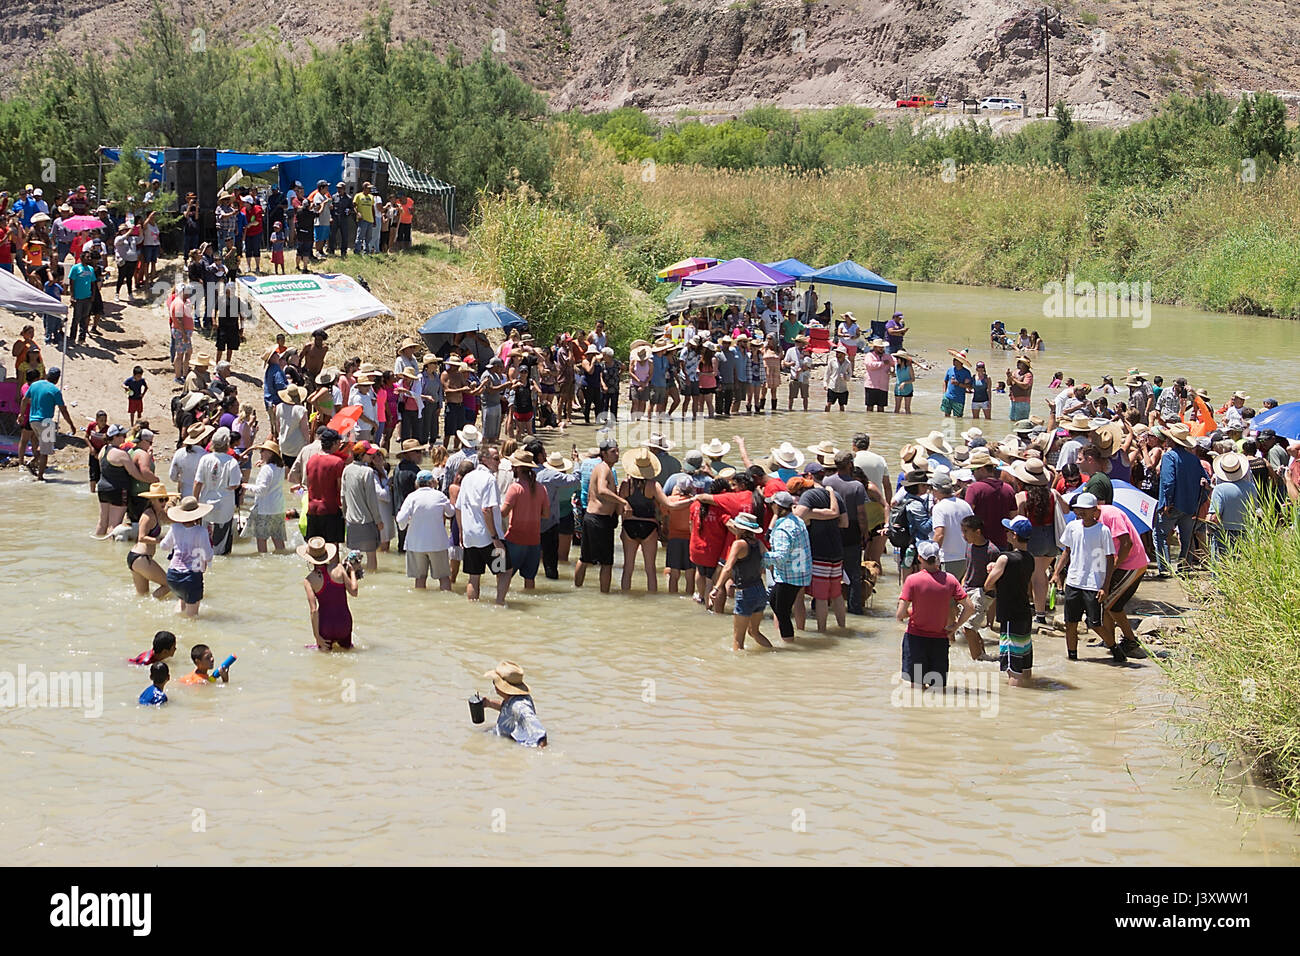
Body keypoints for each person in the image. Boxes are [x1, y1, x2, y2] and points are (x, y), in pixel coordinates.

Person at [896, 541, 977, 690]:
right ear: (937, 558)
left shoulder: (912, 580)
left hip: (916, 639)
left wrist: (914, 611)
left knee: (917, 690)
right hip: (939, 640)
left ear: (920, 558)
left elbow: (900, 614)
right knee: (938, 690)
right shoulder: (950, 580)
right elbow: (970, 608)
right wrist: (955, 626)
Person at [1052, 492, 1123, 661]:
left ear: (1094, 511)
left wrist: (1105, 586)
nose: (1080, 513)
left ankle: (1114, 648)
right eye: (1078, 509)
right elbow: (1067, 551)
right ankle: (1072, 657)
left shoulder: (1103, 531)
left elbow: (1110, 558)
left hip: (1093, 583)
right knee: (1070, 623)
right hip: (1074, 582)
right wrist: (1056, 573)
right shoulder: (1072, 527)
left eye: (1085, 509)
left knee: (1095, 624)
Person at [982, 517, 1035, 684]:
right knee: (1024, 663)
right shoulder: (1030, 558)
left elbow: (988, 585)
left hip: (1010, 614)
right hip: (1024, 613)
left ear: (1014, 535)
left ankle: (1015, 701)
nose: (1005, 534)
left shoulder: (1005, 559)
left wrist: (992, 570)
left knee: (1013, 667)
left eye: (1007, 531)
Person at [617, 447, 674, 593]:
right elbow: (667, 504)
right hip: (649, 525)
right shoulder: (653, 485)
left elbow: (618, 509)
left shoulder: (625, 485)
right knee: (650, 569)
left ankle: (625, 596)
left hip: (629, 525)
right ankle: (652, 599)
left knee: (627, 568)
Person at [711, 513, 771, 650]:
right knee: (754, 632)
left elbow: (727, 568)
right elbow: (768, 563)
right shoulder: (759, 544)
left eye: (736, 527)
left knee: (738, 641)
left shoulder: (738, 544)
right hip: (760, 591)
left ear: (742, 529)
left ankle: (736, 669)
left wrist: (717, 587)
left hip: (745, 593)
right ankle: (774, 653)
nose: (734, 528)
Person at [458, 444, 509, 603]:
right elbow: (487, 509)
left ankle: (472, 607)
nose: (499, 462)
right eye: (496, 459)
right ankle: (499, 603)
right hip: (488, 536)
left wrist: (461, 532)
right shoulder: (489, 479)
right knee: (505, 571)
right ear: (484, 459)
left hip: (470, 536)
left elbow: (458, 508)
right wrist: (495, 538)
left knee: (474, 576)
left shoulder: (467, 477)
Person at [575, 439, 627, 593]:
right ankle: (605, 594)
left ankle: (577, 589)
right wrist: (623, 501)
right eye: (613, 452)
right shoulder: (604, 468)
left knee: (585, 558)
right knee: (606, 563)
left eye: (617, 450)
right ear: (603, 454)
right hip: (599, 519)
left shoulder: (603, 468)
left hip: (594, 518)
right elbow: (602, 490)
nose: (617, 454)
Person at [1154, 422, 1206, 575]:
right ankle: (1184, 568)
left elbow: (1168, 482)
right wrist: (1198, 502)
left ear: (1171, 441)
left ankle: (1165, 569)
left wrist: (1167, 503)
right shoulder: (1194, 459)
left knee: (1160, 535)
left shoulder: (1169, 457)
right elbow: (1205, 482)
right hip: (1190, 506)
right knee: (1186, 539)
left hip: (1172, 505)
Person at [500, 448, 549, 596]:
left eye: (514, 465)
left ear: (519, 468)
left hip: (514, 539)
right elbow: (546, 514)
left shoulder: (515, 488)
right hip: (534, 541)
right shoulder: (541, 488)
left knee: (503, 575)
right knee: (530, 579)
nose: (512, 468)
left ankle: (500, 606)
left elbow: (503, 513)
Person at [396, 469, 455, 590]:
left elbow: (400, 518)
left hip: (416, 544)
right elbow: (450, 513)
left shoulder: (412, 497)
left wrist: (406, 524)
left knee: (420, 578)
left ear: (417, 483)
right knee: (444, 577)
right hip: (437, 543)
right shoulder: (439, 495)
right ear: (432, 482)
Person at [299, 537, 359, 651]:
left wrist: (317, 638)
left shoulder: (309, 580)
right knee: (347, 654)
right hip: (344, 623)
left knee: (324, 663)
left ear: (309, 559)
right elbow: (354, 592)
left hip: (326, 626)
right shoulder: (339, 569)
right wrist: (352, 572)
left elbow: (314, 610)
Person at [160, 496, 215, 617]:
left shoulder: (175, 528)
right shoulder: (201, 531)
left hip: (172, 575)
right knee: (192, 617)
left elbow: (163, 546)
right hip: (191, 577)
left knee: (181, 604)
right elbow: (208, 556)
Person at [192, 427, 242, 556]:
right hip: (224, 505)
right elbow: (235, 485)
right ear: (227, 443)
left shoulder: (205, 459)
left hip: (206, 504)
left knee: (204, 542)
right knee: (222, 544)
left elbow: (198, 482)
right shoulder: (232, 462)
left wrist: (194, 502)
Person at [22, 366, 76, 481]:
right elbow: (63, 410)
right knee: (45, 452)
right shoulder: (55, 391)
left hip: (33, 421)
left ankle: (32, 462)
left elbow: (24, 400)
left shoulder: (35, 385)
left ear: (47, 375)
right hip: (46, 422)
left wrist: (21, 415)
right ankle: (40, 477)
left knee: (42, 447)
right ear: (57, 379)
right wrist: (71, 425)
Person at [480, 661, 548, 748]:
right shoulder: (513, 699)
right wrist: (489, 703)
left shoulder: (520, 706)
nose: (494, 685)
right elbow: (508, 709)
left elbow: (540, 734)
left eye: (495, 682)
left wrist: (540, 754)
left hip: (511, 743)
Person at [128, 482, 173, 599]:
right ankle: (153, 604)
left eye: (165, 499)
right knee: (168, 585)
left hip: (138, 559)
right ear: (152, 500)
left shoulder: (159, 513)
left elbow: (173, 519)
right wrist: (161, 540)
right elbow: (141, 538)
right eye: (161, 500)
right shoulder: (148, 516)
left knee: (142, 596)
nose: (164, 502)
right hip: (141, 558)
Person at [243, 439, 287, 553]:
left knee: (261, 539)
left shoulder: (267, 469)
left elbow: (262, 490)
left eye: (263, 451)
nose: (260, 453)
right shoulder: (280, 468)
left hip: (265, 508)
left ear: (270, 453)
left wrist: (246, 486)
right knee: (278, 538)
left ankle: (263, 560)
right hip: (278, 507)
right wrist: (263, 463)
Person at [929, 473, 973, 580]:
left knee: (946, 595)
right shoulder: (965, 504)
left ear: (936, 490)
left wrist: (930, 557)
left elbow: (939, 534)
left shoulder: (939, 508)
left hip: (949, 559)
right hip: (967, 557)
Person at [941, 349, 974, 418]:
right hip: (948, 397)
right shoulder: (950, 369)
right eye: (954, 359)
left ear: (960, 362)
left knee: (958, 419)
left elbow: (970, 387)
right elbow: (945, 381)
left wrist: (958, 384)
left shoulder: (966, 372)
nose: (953, 361)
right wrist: (944, 393)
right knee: (946, 416)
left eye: (955, 360)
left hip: (959, 399)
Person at [823, 344, 852, 412]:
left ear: (843, 354)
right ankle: (826, 415)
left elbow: (850, 373)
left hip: (843, 388)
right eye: (836, 352)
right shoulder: (832, 361)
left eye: (838, 352)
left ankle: (841, 419)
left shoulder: (848, 363)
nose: (837, 354)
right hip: (832, 386)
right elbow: (827, 373)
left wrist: (846, 377)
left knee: (841, 405)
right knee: (828, 403)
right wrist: (825, 383)